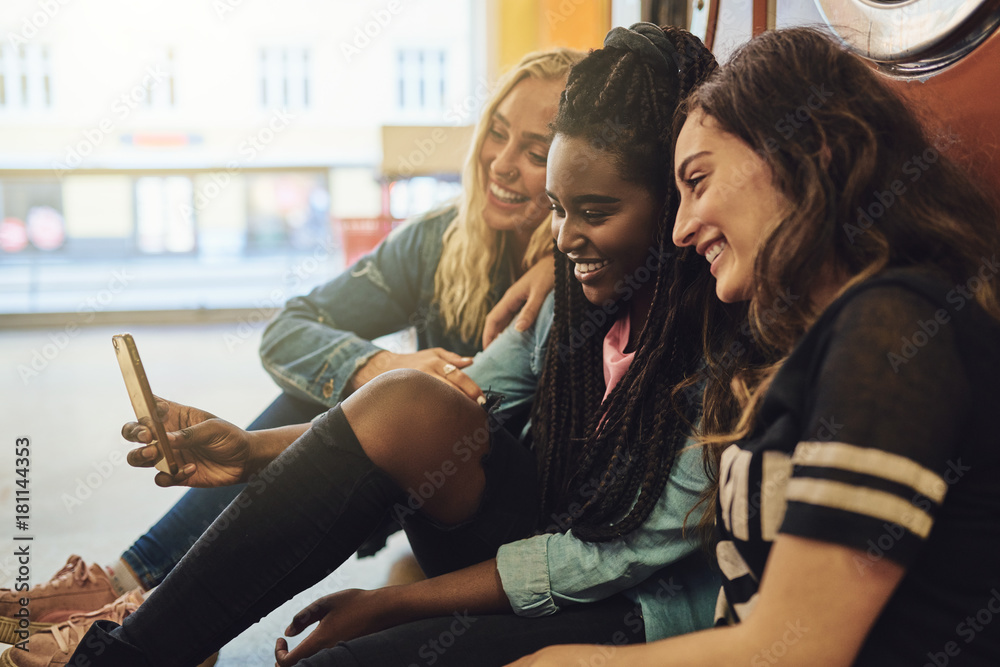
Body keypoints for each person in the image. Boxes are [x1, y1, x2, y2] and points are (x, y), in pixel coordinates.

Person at [53, 24, 723, 667]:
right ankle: (132, 643)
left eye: (594, 211)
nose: (564, 235)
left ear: (675, 198)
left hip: (619, 602)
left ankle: (146, 617)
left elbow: (603, 561)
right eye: (557, 207)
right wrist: (253, 449)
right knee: (406, 396)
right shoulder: (553, 294)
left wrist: (394, 603)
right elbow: (437, 397)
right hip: (521, 535)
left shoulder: (717, 355)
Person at [0, 47, 582, 645]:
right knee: (347, 386)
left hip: (507, 537)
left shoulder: (588, 267)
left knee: (392, 402)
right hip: (417, 495)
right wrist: (379, 365)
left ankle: (135, 602)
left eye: (537, 154)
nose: (501, 165)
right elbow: (290, 328)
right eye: (497, 134)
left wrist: (557, 263)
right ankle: (130, 589)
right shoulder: (442, 238)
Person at [508, 26, 1000, 667]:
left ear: (808, 150)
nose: (680, 230)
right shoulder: (836, 337)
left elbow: (799, 649)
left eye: (699, 181)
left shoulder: (893, 331)